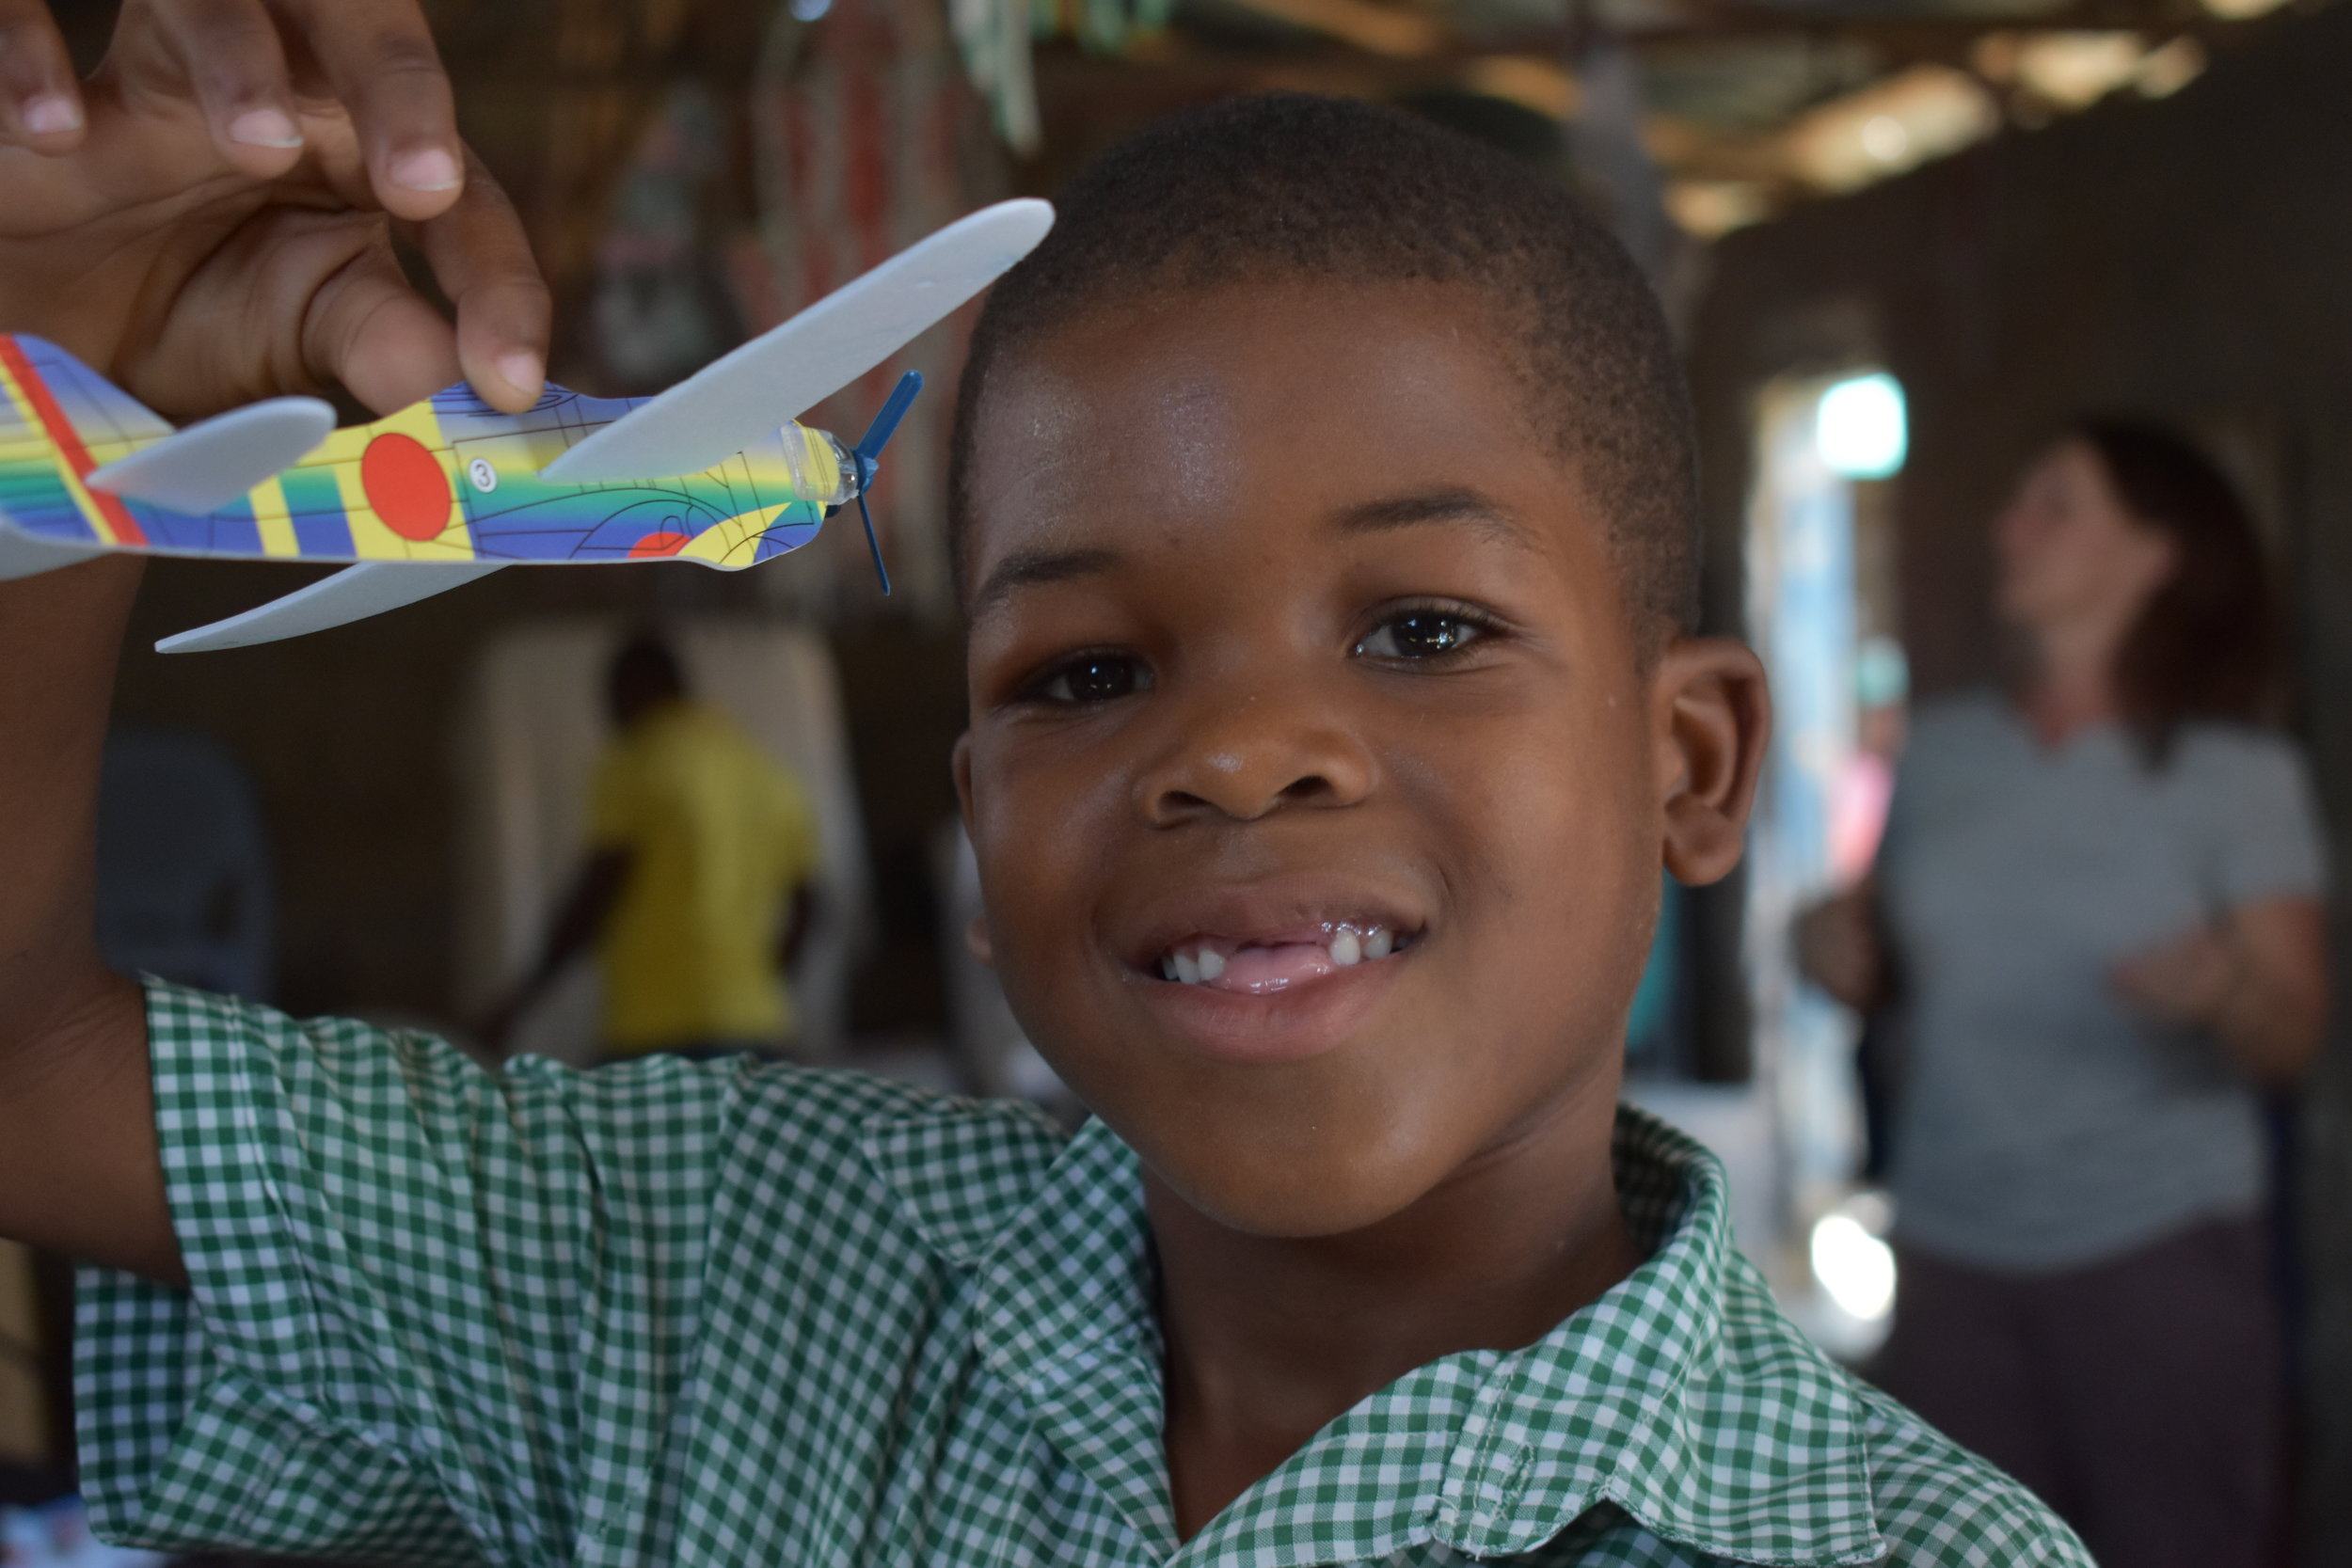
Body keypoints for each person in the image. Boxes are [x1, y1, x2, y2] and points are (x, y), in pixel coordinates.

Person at [0, 19, 2086, 1561]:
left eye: (1423, 626)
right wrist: (53, 379)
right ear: (980, 837)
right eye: (1084, 669)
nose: (1235, 748)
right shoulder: (706, 1263)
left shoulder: (1902, 1547)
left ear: (1689, 760)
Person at [1801, 422, 2329, 1568]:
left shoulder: (2238, 776)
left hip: (2156, 1260)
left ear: (2154, 553)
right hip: (1949, 1247)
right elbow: (1876, 961)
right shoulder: (1939, 752)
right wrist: (1821, 942)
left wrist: (2221, 992)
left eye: (2054, 503)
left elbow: (2289, 1032)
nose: (2008, 526)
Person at [485, 634, 820, 1061]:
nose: (609, 716)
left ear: (636, 686)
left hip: (658, 1026)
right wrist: (758, 988)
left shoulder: (638, 763)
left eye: (611, 698)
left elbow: (597, 893)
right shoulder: (768, 776)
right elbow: (811, 903)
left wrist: (522, 999)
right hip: (760, 1028)